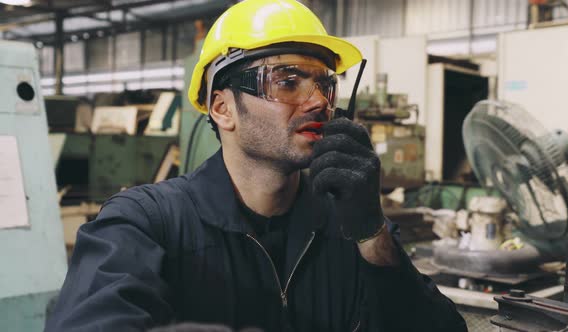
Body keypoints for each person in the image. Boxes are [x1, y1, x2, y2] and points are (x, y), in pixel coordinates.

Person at [46, 0, 467, 331]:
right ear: (223, 108)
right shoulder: (146, 224)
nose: (319, 100)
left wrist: (374, 235)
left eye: (325, 83)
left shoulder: (348, 229)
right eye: (287, 81)